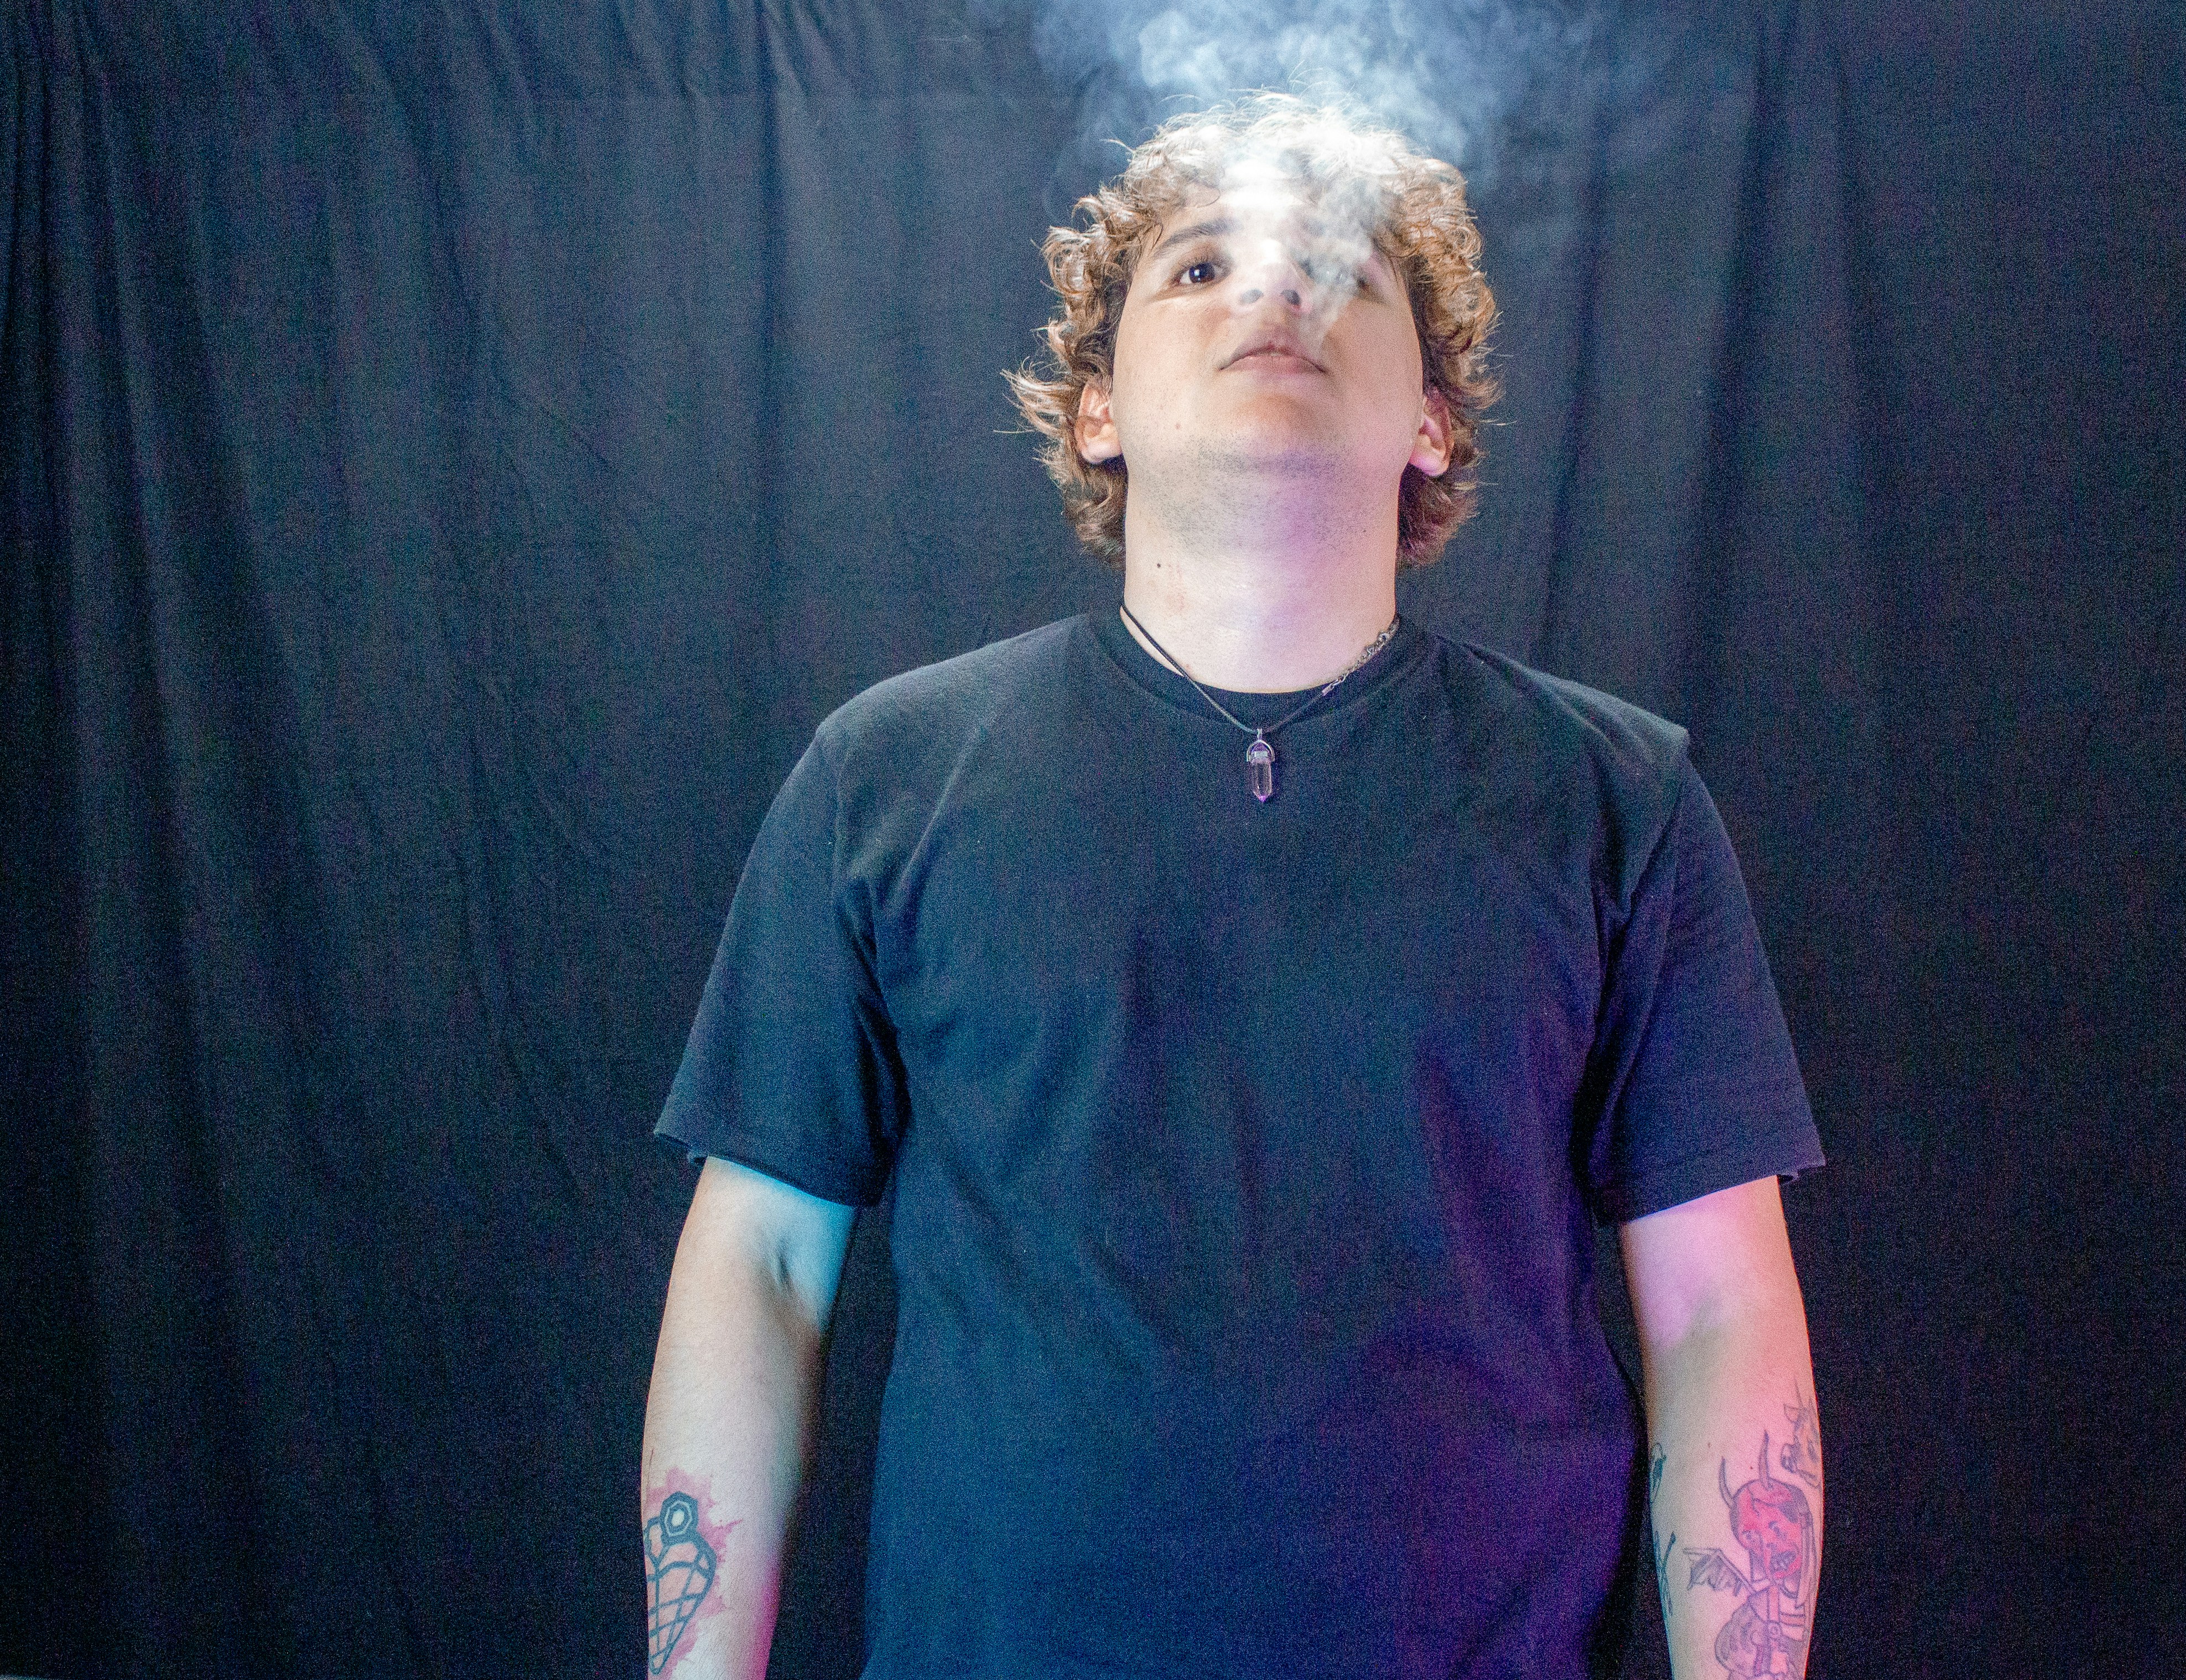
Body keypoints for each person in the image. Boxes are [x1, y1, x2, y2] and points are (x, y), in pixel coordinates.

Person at [641, 97, 1825, 1680]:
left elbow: (1718, 1314)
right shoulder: (885, 782)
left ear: (1433, 423)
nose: (1273, 287)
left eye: (1338, 271)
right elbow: (764, 1267)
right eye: (1200, 268)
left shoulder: (1619, 802)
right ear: (1096, 412)